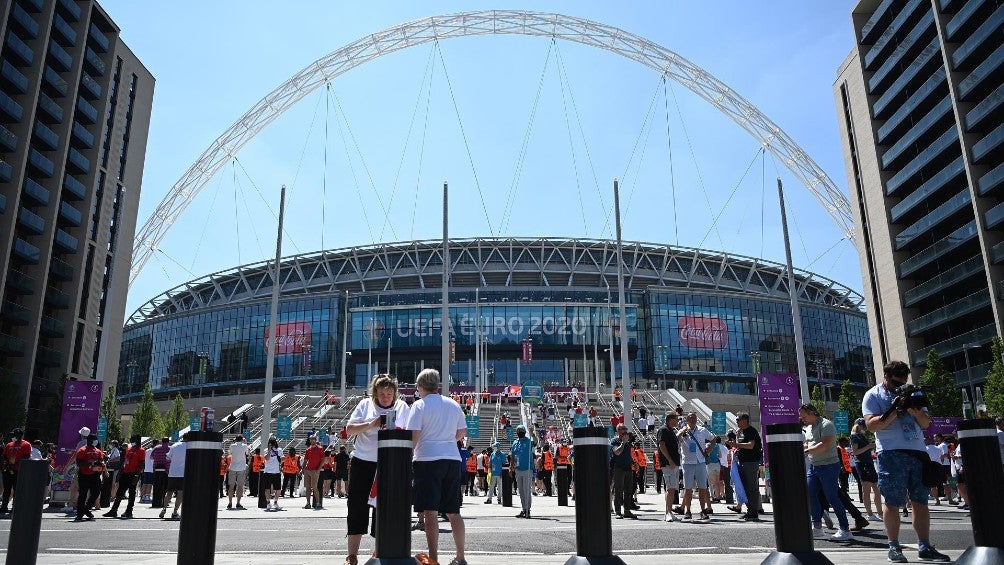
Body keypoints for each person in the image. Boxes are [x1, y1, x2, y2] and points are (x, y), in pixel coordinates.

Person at [862, 361, 950, 562]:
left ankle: (925, 546)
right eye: (895, 381)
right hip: (891, 453)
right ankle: (893, 547)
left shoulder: (914, 393)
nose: (899, 385)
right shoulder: (873, 395)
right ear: (885, 376)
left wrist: (915, 410)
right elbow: (871, 426)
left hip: (918, 452)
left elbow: (926, 423)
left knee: (920, 502)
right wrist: (895, 409)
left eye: (903, 381)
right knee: (892, 502)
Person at [343, 374, 411, 565]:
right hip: (363, 461)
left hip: (389, 462)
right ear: (375, 393)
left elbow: (408, 431)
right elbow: (349, 430)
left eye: (389, 393)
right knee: (356, 506)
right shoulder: (365, 405)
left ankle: (378, 551)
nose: (386, 397)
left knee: (384, 508)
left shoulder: (402, 407)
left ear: (395, 393)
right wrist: (372, 424)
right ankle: (352, 554)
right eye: (381, 394)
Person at [407, 368, 467, 565]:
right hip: (451, 458)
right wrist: (447, 440)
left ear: (421, 386)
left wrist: (408, 457)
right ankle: (460, 556)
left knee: (430, 510)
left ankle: (433, 558)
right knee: (453, 511)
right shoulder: (453, 404)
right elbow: (462, 431)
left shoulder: (419, 406)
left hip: (427, 459)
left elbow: (413, 436)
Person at [799, 404, 853, 541]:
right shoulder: (809, 428)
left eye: (804, 416)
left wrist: (806, 451)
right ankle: (817, 527)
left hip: (829, 466)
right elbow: (809, 444)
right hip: (814, 466)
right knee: (810, 494)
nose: (802, 419)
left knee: (832, 497)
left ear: (812, 413)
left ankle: (845, 529)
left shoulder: (826, 425)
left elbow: (825, 444)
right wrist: (800, 448)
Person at [677, 412, 715, 521]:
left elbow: (713, 438)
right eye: (690, 418)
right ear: (686, 419)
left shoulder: (702, 430)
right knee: (688, 489)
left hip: (700, 462)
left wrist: (711, 447)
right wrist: (681, 433)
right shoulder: (683, 430)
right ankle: (687, 510)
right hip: (688, 463)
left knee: (702, 488)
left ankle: (703, 510)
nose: (693, 420)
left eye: (694, 418)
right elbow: (676, 440)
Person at [725, 412, 762, 521]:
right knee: (745, 487)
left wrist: (736, 445)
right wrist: (737, 440)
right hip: (743, 462)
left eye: (738, 420)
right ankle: (750, 510)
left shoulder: (751, 431)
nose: (736, 421)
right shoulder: (742, 431)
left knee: (751, 487)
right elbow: (741, 445)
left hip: (750, 463)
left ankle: (753, 511)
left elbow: (751, 445)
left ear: (745, 420)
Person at [849, 419, 882, 521]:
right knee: (867, 490)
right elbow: (855, 452)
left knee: (876, 489)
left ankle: (880, 512)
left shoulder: (861, 436)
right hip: (862, 464)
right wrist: (868, 446)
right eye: (865, 426)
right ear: (861, 426)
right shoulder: (854, 436)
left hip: (868, 463)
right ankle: (870, 514)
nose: (866, 429)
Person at [104, 435, 144, 518]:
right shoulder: (129, 449)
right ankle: (113, 511)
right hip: (125, 472)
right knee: (119, 493)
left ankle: (129, 511)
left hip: (134, 473)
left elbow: (142, 463)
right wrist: (121, 472)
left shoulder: (141, 450)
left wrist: (137, 474)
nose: (131, 441)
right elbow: (125, 461)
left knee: (132, 493)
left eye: (133, 439)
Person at [73, 434, 104, 522]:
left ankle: (87, 509)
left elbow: (101, 461)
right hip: (84, 475)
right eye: (95, 440)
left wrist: (100, 464)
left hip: (95, 475)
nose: (96, 441)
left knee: (96, 493)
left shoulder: (98, 451)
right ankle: (79, 514)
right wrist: (91, 464)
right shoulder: (82, 450)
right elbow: (79, 463)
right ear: (90, 440)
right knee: (82, 495)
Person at [1, 428, 31, 515]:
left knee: (17, 489)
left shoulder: (26, 444)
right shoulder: (9, 444)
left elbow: (26, 456)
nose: (12, 436)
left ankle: (15, 507)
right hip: (8, 470)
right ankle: (4, 506)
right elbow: (4, 456)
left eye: (14, 435)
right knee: (7, 489)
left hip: (19, 470)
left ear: (19, 435)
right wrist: (6, 464)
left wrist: (16, 464)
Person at [610, 423, 637, 519]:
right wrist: (623, 443)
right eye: (622, 429)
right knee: (618, 491)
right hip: (619, 469)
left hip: (628, 468)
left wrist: (633, 462)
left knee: (628, 491)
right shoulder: (614, 441)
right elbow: (617, 452)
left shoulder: (628, 442)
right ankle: (618, 511)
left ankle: (627, 510)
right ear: (617, 431)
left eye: (625, 428)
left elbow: (628, 454)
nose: (625, 430)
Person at [160, 434, 187, 520]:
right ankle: (175, 512)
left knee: (169, 493)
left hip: (172, 473)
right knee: (180, 493)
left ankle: (164, 509)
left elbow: (167, 458)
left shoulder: (174, 445)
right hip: (182, 474)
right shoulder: (189, 447)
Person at [511, 424, 534, 518]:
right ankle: (524, 508)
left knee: (526, 489)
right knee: (520, 490)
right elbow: (512, 455)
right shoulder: (515, 442)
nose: (519, 432)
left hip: (527, 468)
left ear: (524, 431)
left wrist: (532, 433)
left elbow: (535, 441)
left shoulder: (529, 441)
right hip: (518, 469)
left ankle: (528, 509)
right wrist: (511, 467)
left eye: (521, 430)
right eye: (518, 431)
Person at [302, 435, 325, 509]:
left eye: (313, 439)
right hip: (307, 470)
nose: (312, 440)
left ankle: (318, 503)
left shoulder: (320, 448)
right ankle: (308, 503)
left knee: (314, 487)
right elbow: (305, 460)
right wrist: (303, 469)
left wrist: (318, 469)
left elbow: (323, 460)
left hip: (315, 470)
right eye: (311, 439)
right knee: (308, 488)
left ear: (315, 440)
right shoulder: (308, 449)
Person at [227, 434, 248, 510]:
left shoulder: (232, 446)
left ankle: (230, 502)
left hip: (233, 467)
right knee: (240, 486)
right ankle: (238, 502)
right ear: (242, 439)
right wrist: (245, 442)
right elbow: (247, 453)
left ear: (236, 439)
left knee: (231, 486)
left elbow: (230, 453)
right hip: (241, 467)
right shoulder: (245, 446)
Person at [262, 438, 282, 511]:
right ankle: (268, 503)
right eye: (270, 443)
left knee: (278, 489)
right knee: (267, 489)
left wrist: (282, 458)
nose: (272, 444)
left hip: (276, 472)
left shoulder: (279, 450)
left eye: (273, 443)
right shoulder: (266, 450)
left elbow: (282, 458)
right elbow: (266, 458)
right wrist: (270, 450)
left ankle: (275, 502)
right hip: (267, 472)